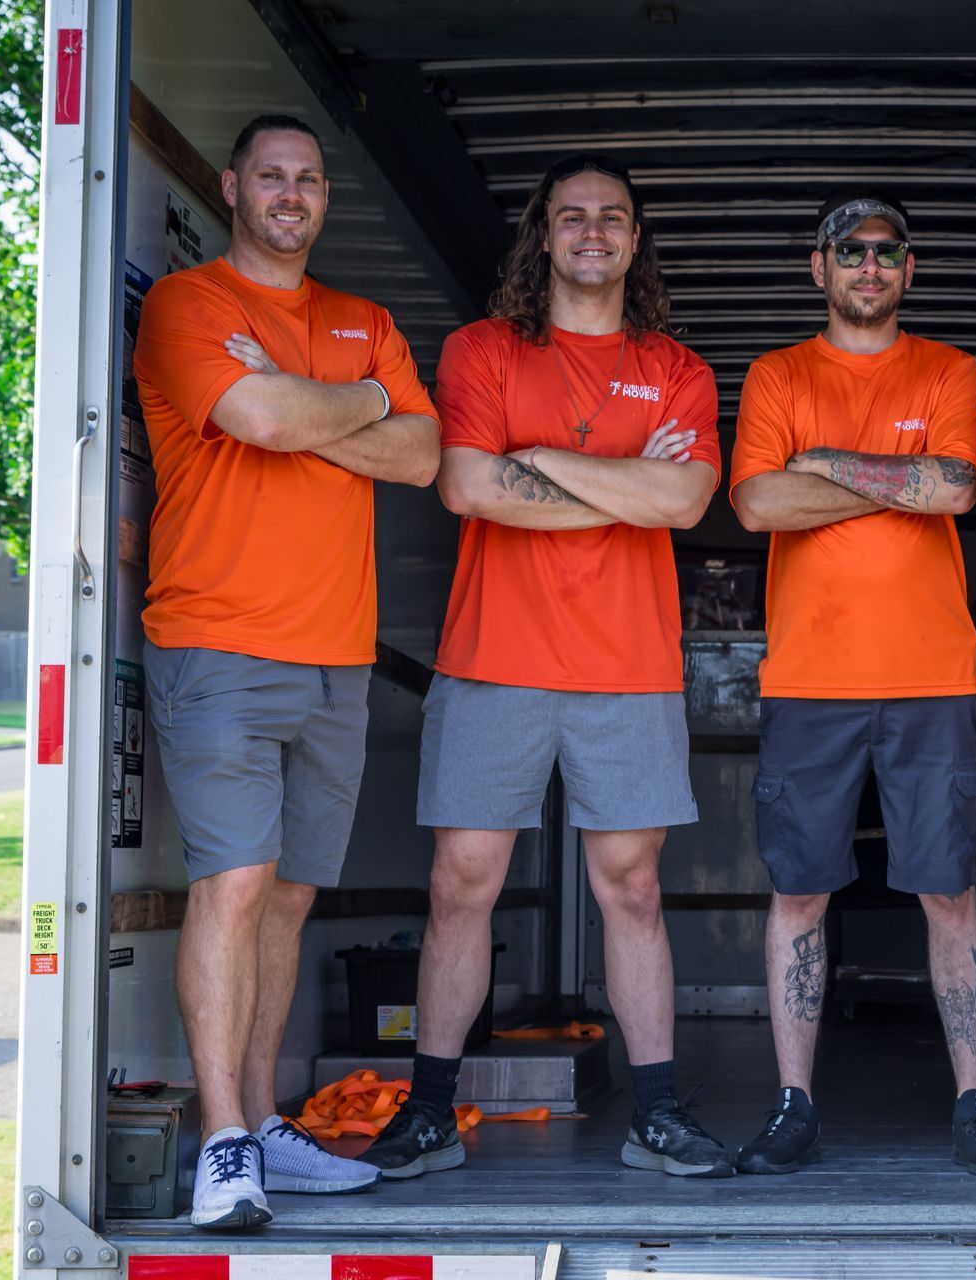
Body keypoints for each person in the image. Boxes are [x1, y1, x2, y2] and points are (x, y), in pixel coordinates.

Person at [360, 153, 733, 1181]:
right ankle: (431, 1110)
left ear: (635, 237)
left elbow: (687, 502)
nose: (593, 231)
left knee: (634, 888)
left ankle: (657, 1112)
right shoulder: (482, 350)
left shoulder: (678, 369)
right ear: (543, 235)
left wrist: (547, 463)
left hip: (628, 664)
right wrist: (626, 482)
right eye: (571, 216)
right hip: (495, 658)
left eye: (613, 215)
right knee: (461, 883)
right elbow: (468, 485)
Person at [133, 114, 440, 1229]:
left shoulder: (365, 320)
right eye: (272, 176)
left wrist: (324, 403)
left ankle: (265, 1122)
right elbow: (256, 415)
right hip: (218, 639)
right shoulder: (190, 306)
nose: (292, 193)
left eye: (309, 179)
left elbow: (422, 451)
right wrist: (356, 400)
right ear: (231, 186)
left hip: (337, 658)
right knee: (233, 883)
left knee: (293, 893)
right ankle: (222, 1142)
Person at [728, 191, 976, 1177]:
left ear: (909, 267)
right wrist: (892, 471)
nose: (870, 264)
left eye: (889, 250)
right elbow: (760, 498)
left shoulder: (949, 369)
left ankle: (975, 1099)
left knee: (948, 887)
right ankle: (793, 1103)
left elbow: (956, 487)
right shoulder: (778, 373)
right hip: (809, 679)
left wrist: (825, 468)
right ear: (820, 266)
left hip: (931, 678)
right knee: (799, 891)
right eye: (851, 249)